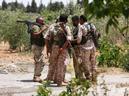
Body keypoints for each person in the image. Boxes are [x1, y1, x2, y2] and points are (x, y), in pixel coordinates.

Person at [44, 14, 72, 86]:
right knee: (60, 64)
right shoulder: (66, 27)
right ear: (66, 20)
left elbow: (46, 38)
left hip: (54, 47)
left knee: (52, 63)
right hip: (63, 48)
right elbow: (68, 39)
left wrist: (48, 49)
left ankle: (49, 80)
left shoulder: (53, 26)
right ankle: (59, 82)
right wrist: (63, 47)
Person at [76, 15, 97, 80]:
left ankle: (88, 76)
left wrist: (77, 42)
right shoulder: (92, 25)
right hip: (93, 46)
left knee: (86, 63)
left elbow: (79, 38)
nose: (79, 21)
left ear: (82, 19)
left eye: (79, 20)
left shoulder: (81, 26)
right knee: (93, 62)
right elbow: (96, 34)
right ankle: (94, 76)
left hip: (85, 47)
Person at [31, 17, 48, 82]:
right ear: (38, 21)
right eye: (42, 21)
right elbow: (35, 35)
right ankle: (36, 76)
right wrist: (43, 29)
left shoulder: (39, 26)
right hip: (37, 46)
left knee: (40, 61)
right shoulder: (35, 27)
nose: (43, 22)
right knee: (39, 61)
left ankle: (36, 76)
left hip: (39, 46)